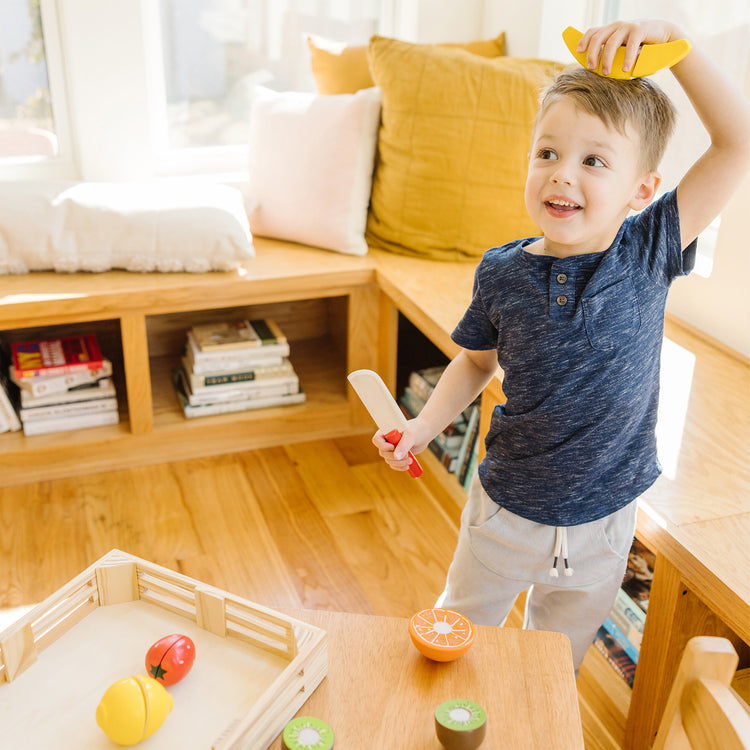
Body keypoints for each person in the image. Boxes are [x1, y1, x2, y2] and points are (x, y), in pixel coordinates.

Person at [372, 19, 750, 672]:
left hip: (605, 524)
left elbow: (737, 142)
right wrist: (423, 424)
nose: (561, 176)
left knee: (549, 668)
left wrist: (677, 43)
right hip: (504, 515)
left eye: (592, 160)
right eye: (546, 153)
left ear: (641, 190)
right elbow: (476, 361)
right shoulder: (502, 271)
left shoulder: (650, 248)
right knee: (454, 645)